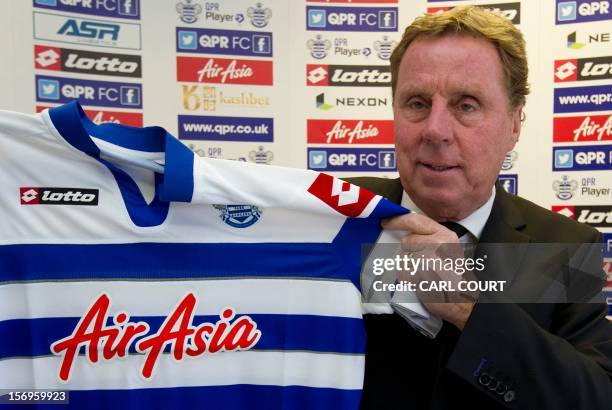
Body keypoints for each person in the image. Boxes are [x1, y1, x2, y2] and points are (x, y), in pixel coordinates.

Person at [349, 6, 612, 409]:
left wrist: (466, 308)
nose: (435, 130)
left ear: (514, 123)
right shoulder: (336, 216)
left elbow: (595, 397)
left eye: (466, 105)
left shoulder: (566, 246)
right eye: (417, 103)